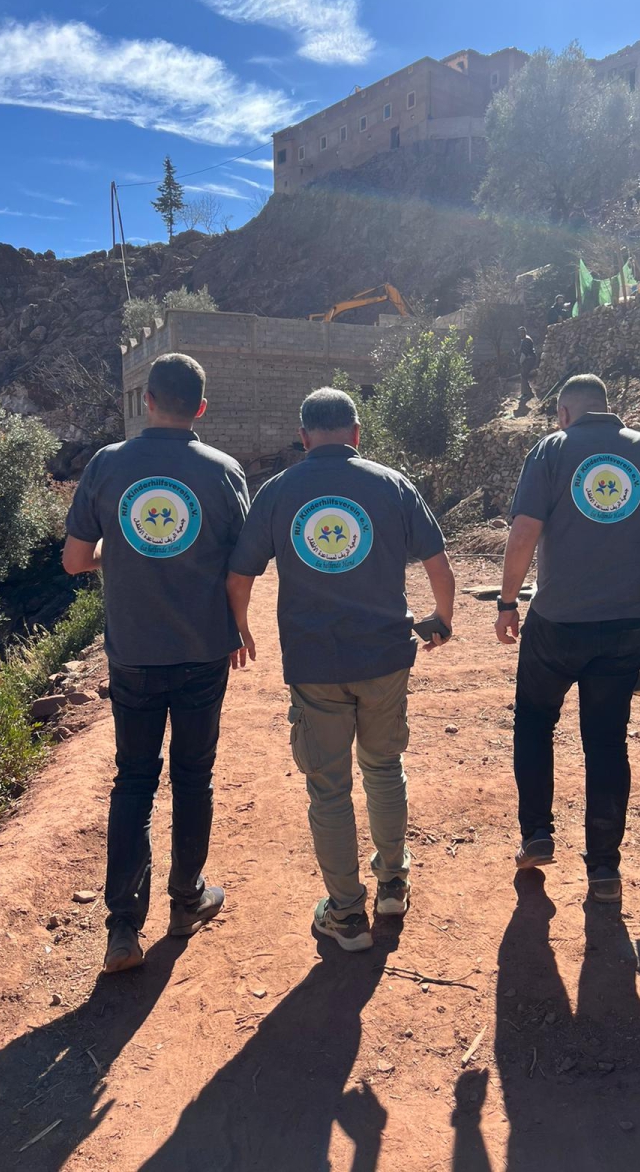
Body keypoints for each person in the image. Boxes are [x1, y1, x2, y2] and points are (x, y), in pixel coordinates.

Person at [226, 388, 456, 953]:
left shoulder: (278, 491)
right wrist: (442, 619)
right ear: (356, 433)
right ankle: (393, 884)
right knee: (384, 767)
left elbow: (240, 574)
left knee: (328, 788)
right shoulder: (392, 484)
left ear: (303, 437)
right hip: (385, 658)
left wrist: (241, 628)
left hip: (315, 663)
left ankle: (347, 916)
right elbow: (439, 563)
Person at [62, 353, 250, 973]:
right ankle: (186, 900)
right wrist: (239, 625)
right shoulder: (224, 471)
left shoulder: (107, 464)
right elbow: (241, 567)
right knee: (194, 777)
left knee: (134, 781)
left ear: (147, 401)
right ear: (201, 407)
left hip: (134, 655)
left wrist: (114, 555)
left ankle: (123, 928)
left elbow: (74, 560)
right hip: (203, 652)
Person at [495, 374, 640, 902]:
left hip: (556, 623)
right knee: (606, 741)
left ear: (563, 413)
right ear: (607, 407)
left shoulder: (551, 450)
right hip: (624, 628)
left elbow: (524, 533)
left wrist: (507, 603)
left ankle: (537, 833)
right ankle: (604, 868)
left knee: (534, 722)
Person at [516, 327, 537, 401]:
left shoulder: (526, 340)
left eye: (521, 332)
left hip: (529, 360)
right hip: (529, 359)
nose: (519, 334)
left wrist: (521, 361)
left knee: (523, 375)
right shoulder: (526, 339)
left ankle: (526, 394)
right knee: (524, 375)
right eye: (519, 333)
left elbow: (524, 353)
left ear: (524, 332)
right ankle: (528, 392)